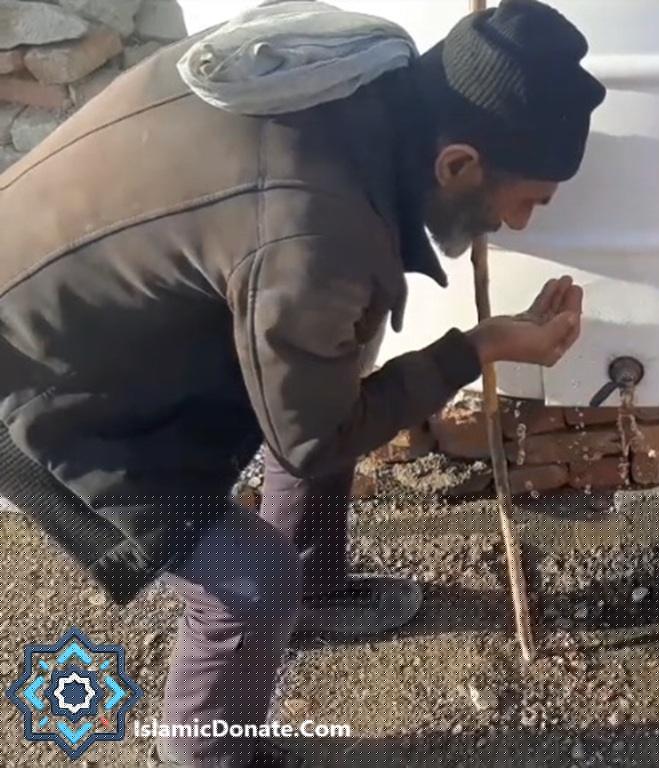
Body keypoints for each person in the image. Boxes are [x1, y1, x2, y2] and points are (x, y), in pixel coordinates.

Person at [0, 1, 605, 765]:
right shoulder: (318, 234)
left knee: (334, 369)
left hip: (81, 304)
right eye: (529, 200)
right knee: (248, 586)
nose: (520, 226)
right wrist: (478, 346)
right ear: (457, 165)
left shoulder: (356, 63)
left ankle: (317, 591)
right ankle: (209, 754)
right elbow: (315, 439)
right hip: (37, 384)